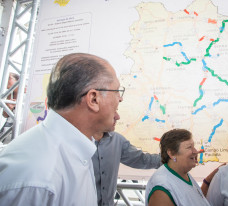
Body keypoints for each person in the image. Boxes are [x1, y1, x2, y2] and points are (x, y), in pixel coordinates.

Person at [0, 53, 123, 206]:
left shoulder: (75, 150)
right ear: (93, 99)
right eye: (117, 91)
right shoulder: (37, 178)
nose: (120, 98)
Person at [92, 130, 161, 206]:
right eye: (111, 117)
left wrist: (169, 159)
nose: (117, 117)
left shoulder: (117, 139)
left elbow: (140, 159)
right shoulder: (78, 141)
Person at [145, 129, 210, 206]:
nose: (195, 151)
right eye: (189, 147)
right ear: (172, 154)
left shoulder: (182, 173)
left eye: (193, 146)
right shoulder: (161, 189)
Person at [0, 72, 19, 144]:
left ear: (17, 80)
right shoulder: (9, 94)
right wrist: (9, 108)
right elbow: (5, 115)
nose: (6, 80)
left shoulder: (27, 92)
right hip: (8, 128)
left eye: (9, 78)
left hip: (20, 128)